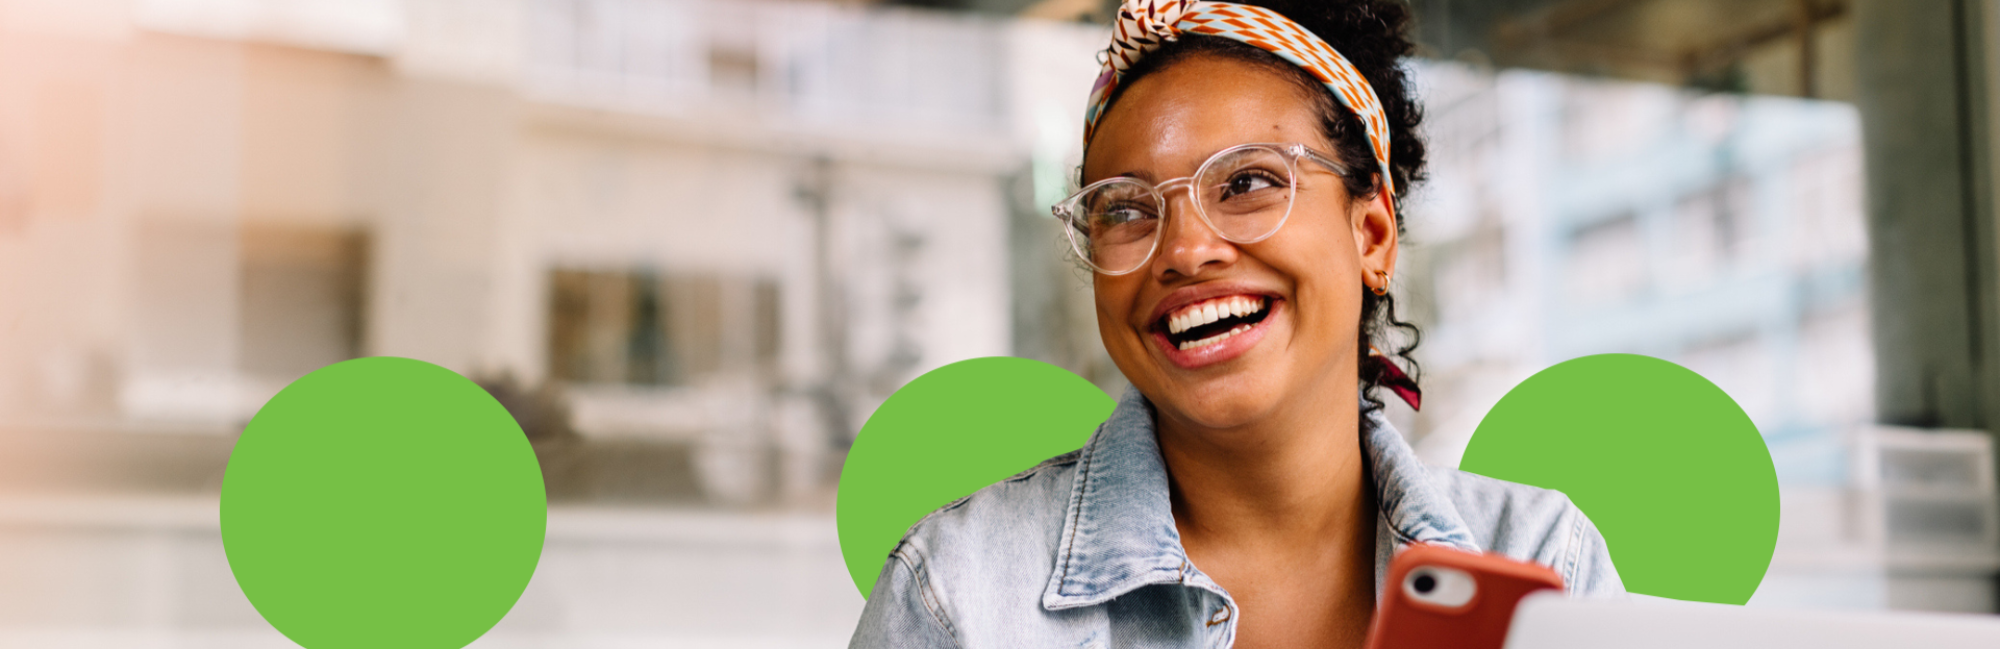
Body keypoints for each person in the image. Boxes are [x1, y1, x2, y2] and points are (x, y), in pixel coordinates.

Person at [849, 1, 1623, 647]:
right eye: (1125, 208)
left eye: (1248, 182)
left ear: (1373, 237)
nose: (1183, 250)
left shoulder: (1542, 564)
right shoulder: (960, 595)